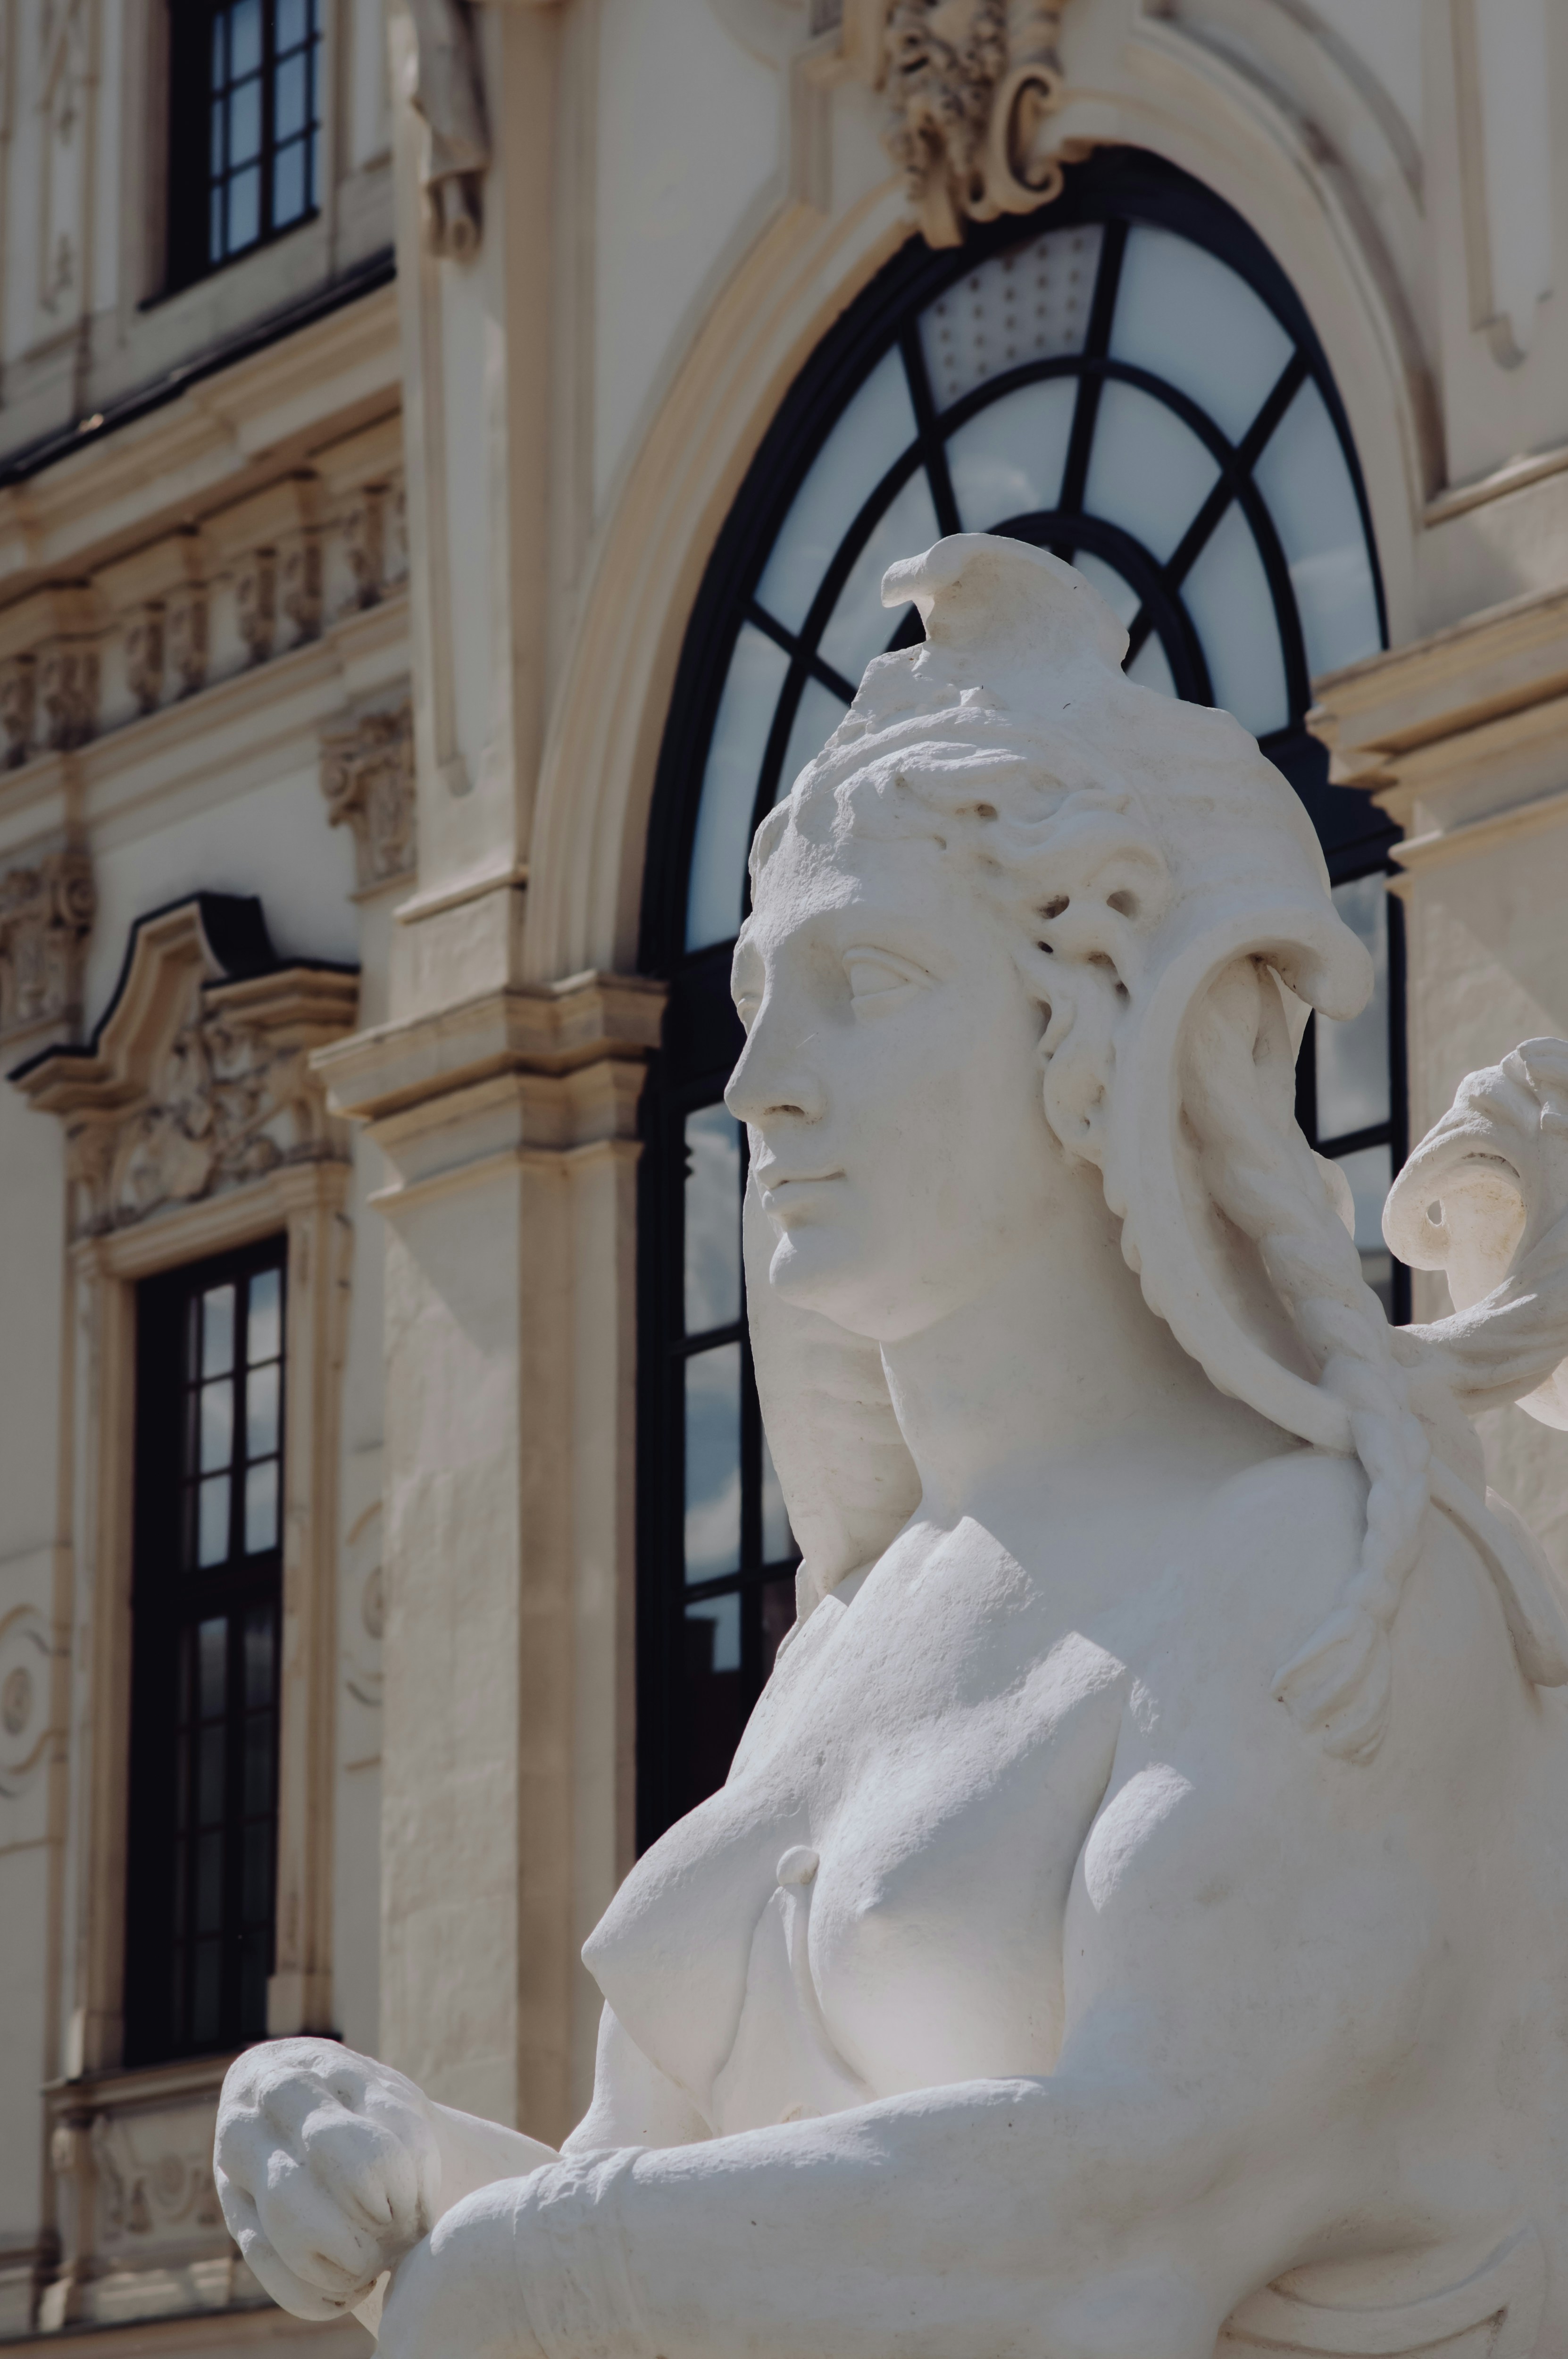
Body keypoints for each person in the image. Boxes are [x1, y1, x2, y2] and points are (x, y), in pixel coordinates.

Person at [216, 535, 1568, 2359]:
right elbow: (710, 2209)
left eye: (870, 982)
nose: (760, 1080)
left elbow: (1115, 2222)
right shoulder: (853, 1637)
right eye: (763, 995)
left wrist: (518, 2268)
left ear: (1109, 1037)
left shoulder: (1326, 1588)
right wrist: (403, 2161)